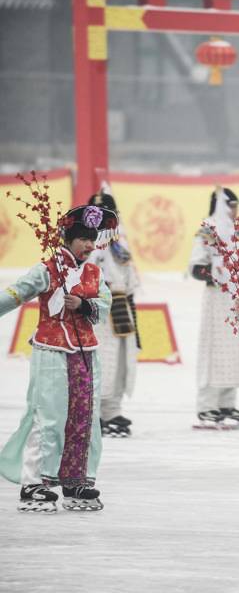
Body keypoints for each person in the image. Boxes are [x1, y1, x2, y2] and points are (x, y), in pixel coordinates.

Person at [0, 204, 117, 512]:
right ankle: (35, 482)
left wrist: (82, 304)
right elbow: (16, 293)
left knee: (85, 419)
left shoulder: (94, 272)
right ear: (68, 238)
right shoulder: (46, 269)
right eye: (83, 239)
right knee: (49, 416)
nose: (90, 246)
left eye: (93, 239)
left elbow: (104, 306)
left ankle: (77, 480)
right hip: (51, 352)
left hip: (85, 354)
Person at [188, 188, 239, 428]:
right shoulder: (208, 232)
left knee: (237, 351)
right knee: (213, 350)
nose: (235, 210)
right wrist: (217, 275)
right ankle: (207, 406)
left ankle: (227, 402)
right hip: (218, 298)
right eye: (231, 205)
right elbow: (196, 267)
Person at [88, 189, 141, 437]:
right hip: (96, 308)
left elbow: (130, 280)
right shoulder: (85, 245)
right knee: (100, 362)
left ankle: (112, 410)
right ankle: (94, 413)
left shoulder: (120, 244)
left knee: (120, 362)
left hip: (121, 307)